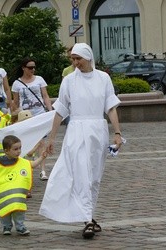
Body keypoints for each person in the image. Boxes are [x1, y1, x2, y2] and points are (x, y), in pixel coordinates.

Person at [39, 43, 123, 239]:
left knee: (94, 177)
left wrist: (117, 133)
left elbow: (110, 107)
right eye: (73, 59)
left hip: (97, 131)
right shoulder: (68, 81)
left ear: (88, 57)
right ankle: (87, 220)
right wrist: (52, 138)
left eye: (79, 59)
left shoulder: (103, 78)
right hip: (76, 131)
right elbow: (60, 110)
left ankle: (89, 215)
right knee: (81, 175)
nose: (75, 63)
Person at [0, 135, 47, 235]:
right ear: (6, 150)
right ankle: (6, 226)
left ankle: (20, 226)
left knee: (18, 209)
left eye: (20, 148)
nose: (19, 151)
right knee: (4, 210)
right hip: (3, 195)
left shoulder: (22, 161)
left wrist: (42, 157)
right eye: (15, 149)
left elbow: (32, 165)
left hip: (17, 195)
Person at [11, 57, 52, 180]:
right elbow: (16, 101)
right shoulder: (17, 83)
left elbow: (45, 96)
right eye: (30, 67)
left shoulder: (39, 79)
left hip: (39, 113)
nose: (33, 69)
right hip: (25, 116)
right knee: (26, 141)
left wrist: (50, 110)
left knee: (41, 141)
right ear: (23, 68)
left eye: (34, 67)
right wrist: (14, 116)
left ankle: (43, 170)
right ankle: (25, 168)